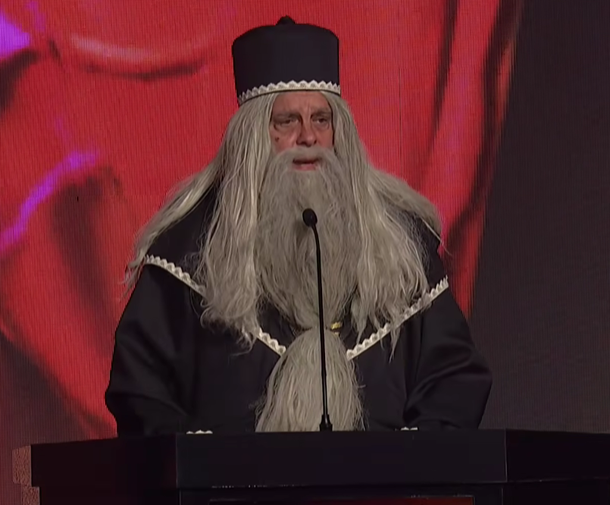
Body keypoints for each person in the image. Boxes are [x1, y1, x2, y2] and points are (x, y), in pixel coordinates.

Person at [104, 16, 492, 435]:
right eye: (287, 121)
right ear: (254, 138)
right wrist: (201, 460)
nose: (308, 136)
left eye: (321, 120)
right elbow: (141, 390)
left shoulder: (400, 246)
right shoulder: (188, 252)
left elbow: (454, 376)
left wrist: (415, 457)